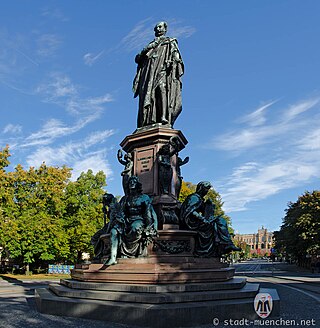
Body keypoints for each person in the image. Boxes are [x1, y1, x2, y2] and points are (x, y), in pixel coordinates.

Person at [133, 21, 184, 128]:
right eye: (156, 28)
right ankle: (147, 120)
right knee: (148, 94)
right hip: (149, 74)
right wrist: (146, 49)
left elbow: (176, 55)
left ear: (165, 29)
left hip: (162, 71)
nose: (158, 29)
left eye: (160, 27)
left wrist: (175, 60)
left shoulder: (170, 42)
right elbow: (137, 59)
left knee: (162, 89)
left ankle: (164, 116)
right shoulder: (150, 46)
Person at [180, 181, 241, 257]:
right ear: (201, 188)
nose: (207, 191)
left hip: (196, 222)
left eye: (208, 189)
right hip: (190, 223)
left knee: (220, 220)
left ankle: (227, 244)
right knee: (217, 223)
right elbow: (190, 211)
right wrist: (202, 219)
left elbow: (205, 212)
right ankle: (225, 244)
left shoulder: (200, 199)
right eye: (206, 189)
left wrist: (209, 205)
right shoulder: (194, 198)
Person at [117, 176, 158, 260]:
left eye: (134, 182)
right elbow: (121, 212)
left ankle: (131, 252)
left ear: (138, 185)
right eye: (130, 182)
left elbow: (148, 213)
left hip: (139, 219)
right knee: (119, 229)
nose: (131, 183)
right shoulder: (125, 199)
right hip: (127, 220)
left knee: (135, 228)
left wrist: (148, 226)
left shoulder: (144, 197)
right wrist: (121, 220)